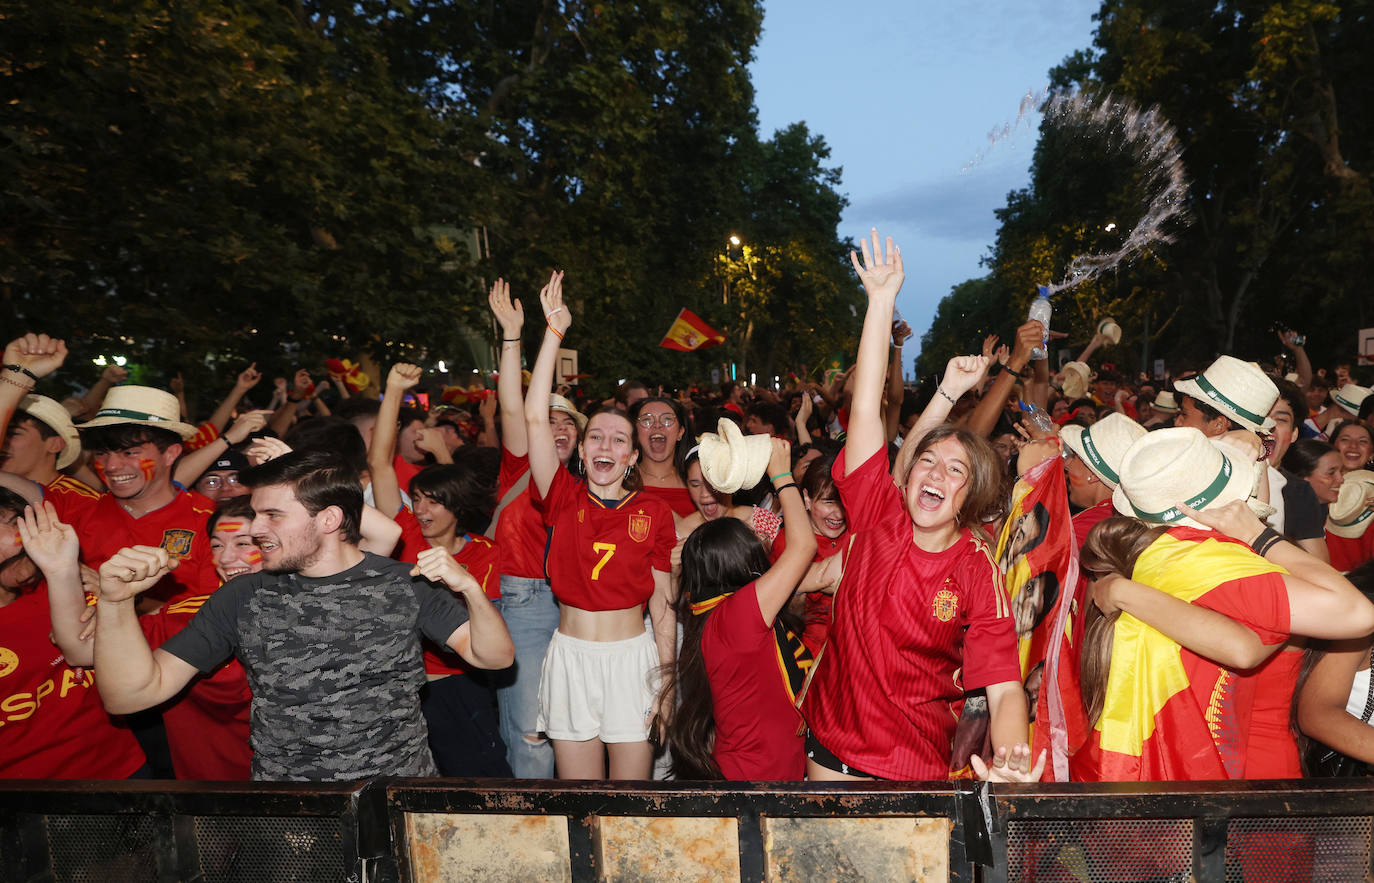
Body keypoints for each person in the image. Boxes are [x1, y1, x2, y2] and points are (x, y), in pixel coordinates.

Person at [90, 449, 514, 781]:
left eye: (272, 515)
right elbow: (132, 694)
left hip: (396, 799)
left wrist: (471, 591)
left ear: (329, 519)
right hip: (293, 810)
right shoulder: (243, 596)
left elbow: (494, 657)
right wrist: (113, 604)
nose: (255, 528)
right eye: (256, 513)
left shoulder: (406, 582)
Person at [800, 229, 1042, 783]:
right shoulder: (877, 513)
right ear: (908, 477)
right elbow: (865, 410)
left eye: (955, 470)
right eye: (928, 463)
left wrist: (1009, 761)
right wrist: (880, 303)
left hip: (913, 770)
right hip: (829, 748)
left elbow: (1004, 688)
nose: (936, 473)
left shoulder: (978, 570)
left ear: (971, 497)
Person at [523, 272, 676, 780]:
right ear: (582, 452)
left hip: (634, 662)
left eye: (617, 440)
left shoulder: (652, 511)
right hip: (571, 659)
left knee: (630, 806)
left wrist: (668, 680)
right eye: (596, 438)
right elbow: (533, 420)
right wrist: (553, 334)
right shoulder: (562, 498)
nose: (604, 447)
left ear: (631, 456)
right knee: (581, 803)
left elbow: (663, 602)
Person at [371, 362, 512, 777]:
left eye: (434, 501)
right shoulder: (402, 533)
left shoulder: (485, 554)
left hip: (459, 686)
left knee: (477, 780)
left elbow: (489, 626)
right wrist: (394, 389)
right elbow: (380, 463)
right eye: (417, 499)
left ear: (458, 507)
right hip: (399, 683)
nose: (422, 510)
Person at [668, 437, 816, 780]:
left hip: (770, 768)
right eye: (694, 483)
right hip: (756, 777)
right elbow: (802, 546)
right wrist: (783, 478)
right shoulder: (735, 613)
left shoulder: (749, 519)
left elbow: (802, 561)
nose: (705, 493)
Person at [487, 275, 580, 778]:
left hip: (584, 606)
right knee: (531, 731)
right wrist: (513, 336)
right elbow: (510, 405)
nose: (558, 428)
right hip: (525, 602)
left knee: (576, 726)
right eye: (549, 420)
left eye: (568, 423)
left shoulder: (593, 487)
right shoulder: (522, 465)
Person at [0, 492, 147, 779]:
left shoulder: (63, 583)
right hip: (20, 795)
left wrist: (112, 607)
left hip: (117, 771)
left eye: (17, 521)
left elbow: (95, 651)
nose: (17, 534)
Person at [770, 450, 849, 655]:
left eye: (844, 503)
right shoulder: (789, 543)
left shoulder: (856, 533)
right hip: (805, 657)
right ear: (806, 499)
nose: (838, 514)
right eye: (828, 502)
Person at [628, 396, 695, 517]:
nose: (657, 425)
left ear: (680, 432)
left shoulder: (699, 482)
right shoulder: (621, 482)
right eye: (647, 420)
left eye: (667, 419)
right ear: (635, 433)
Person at [1281, 438, 1345, 563]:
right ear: (1302, 478)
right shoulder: (1289, 514)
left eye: (1341, 471)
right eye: (1331, 473)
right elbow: (1321, 567)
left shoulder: (1335, 511)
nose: (1341, 479)